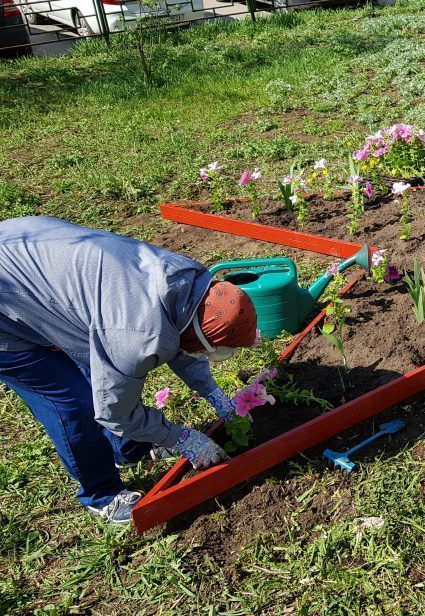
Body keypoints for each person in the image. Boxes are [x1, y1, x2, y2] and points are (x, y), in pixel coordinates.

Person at [0, 217, 260, 524]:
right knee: (72, 402)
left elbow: (185, 341)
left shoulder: (189, 282)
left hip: (35, 254)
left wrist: (213, 392)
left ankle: (131, 449)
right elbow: (114, 413)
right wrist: (181, 438)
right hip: (10, 287)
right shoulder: (135, 335)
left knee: (99, 368)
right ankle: (101, 494)